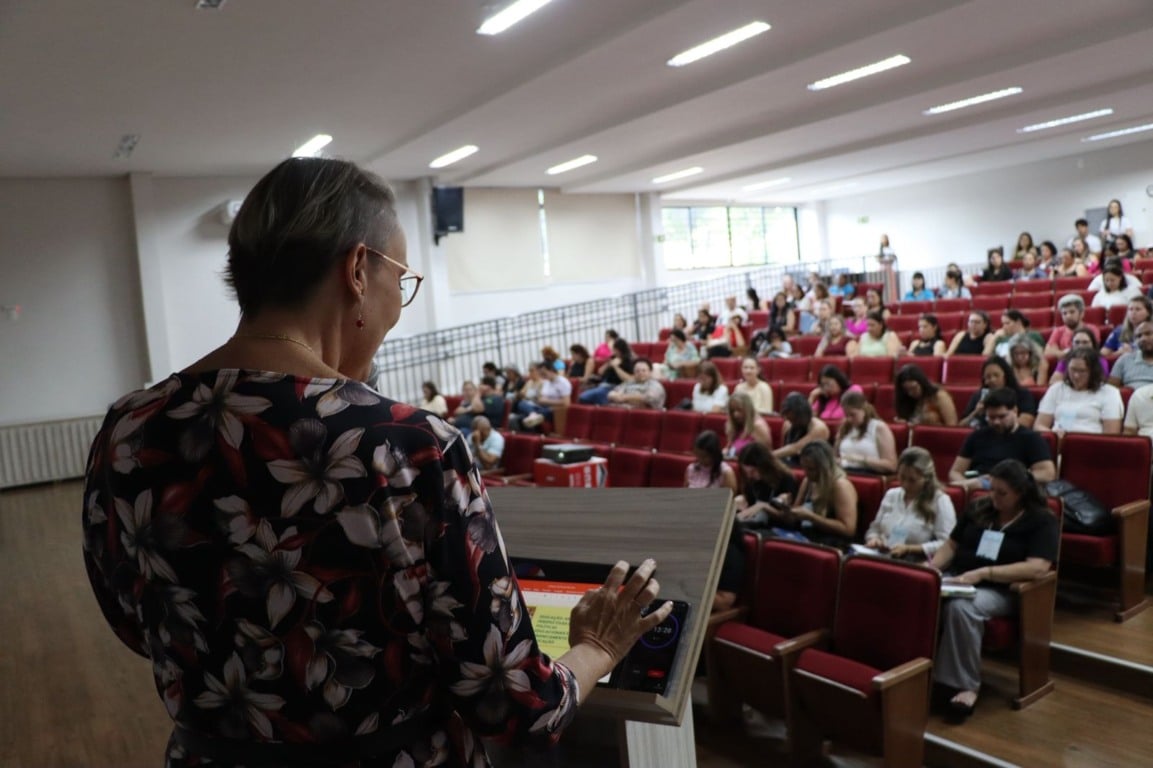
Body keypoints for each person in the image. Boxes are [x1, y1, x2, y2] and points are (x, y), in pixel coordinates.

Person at [81, 157, 673, 767]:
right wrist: (600, 646)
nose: (398, 304)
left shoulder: (129, 428)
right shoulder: (408, 446)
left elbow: (132, 620)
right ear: (358, 270)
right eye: (402, 278)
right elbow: (515, 704)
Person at [930, 459, 1060, 718]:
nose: (994, 497)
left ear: (1021, 493)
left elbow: (1037, 568)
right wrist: (931, 570)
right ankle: (919, 675)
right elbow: (951, 546)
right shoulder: (980, 508)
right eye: (992, 489)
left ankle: (964, 686)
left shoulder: (1041, 520)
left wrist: (983, 573)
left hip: (1004, 590)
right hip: (961, 578)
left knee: (961, 608)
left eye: (1002, 493)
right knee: (922, 591)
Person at [948, 388, 1057, 491]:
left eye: (1002, 417)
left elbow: (1047, 474)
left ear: (1015, 411)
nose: (996, 422)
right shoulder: (976, 436)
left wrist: (1004, 479)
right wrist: (966, 484)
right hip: (976, 487)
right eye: (991, 417)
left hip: (1013, 490)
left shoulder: (1031, 438)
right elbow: (955, 472)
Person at [865, 447, 956, 557]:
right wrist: (874, 539)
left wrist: (910, 549)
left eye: (912, 480)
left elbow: (947, 544)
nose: (905, 484)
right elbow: (875, 528)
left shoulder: (940, 501)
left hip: (916, 560)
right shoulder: (892, 494)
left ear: (926, 478)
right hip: (883, 554)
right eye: (902, 477)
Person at [781, 441, 859, 548]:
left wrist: (812, 517)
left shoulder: (840, 486)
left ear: (824, 467)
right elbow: (793, 519)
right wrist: (786, 508)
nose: (806, 473)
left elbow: (848, 529)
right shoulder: (808, 481)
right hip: (806, 536)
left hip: (831, 543)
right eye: (804, 468)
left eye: (811, 469)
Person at [1036, 348, 1124, 435]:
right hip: (1059, 442)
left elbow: (1111, 434)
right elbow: (1039, 425)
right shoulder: (1056, 389)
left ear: (1093, 372)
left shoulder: (1110, 393)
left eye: (1082, 371)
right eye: (1073, 369)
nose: (1076, 376)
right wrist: (1054, 436)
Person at [959, 356, 1038, 429]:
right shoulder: (979, 396)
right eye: (988, 377)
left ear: (1005, 376)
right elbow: (960, 427)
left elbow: (1026, 422)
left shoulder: (1022, 394)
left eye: (996, 375)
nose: (992, 380)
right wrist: (975, 413)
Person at [733, 442, 798, 527]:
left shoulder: (786, 479)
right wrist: (741, 501)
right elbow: (750, 505)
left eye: (753, 471)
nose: (749, 476)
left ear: (765, 466)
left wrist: (764, 507)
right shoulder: (751, 479)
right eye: (746, 472)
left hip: (777, 527)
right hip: (753, 522)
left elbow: (790, 519)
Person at [834, 390, 898, 474]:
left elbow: (892, 466)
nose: (849, 419)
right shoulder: (845, 427)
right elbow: (835, 456)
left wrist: (861, 459)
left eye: (853, 415)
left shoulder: (879, 428)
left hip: (869, 474)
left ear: (864, 410)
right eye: (846, 415)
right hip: (845, 472)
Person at [775, 392, 831, 465]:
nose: (787, 420)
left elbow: (796, 449)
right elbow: (783, 449)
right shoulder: (788, 423)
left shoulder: (818, 428)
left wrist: (769, 455)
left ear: (801, 415)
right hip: (790, 461)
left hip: (813, 464)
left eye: (792, 419)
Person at [517, 363, 572, 430]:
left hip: (555, 409)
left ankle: (534, 416)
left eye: (544, 373)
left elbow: (566, 403)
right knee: (522, 403)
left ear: (551, 370)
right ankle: (533, 414)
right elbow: (541, 399)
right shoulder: (546, 382)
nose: (542, 376)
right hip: (542, 407)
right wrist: (542, 401)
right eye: (541, 374)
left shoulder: (563, 382)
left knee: (524, 418)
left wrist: (546, 401)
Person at [579, 338, 635, 404]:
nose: (613, 351)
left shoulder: (629, 361)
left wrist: (616, 367)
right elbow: (600, 372)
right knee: (582, 395)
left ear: (619, 350)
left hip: (614, 386)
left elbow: (629, 379)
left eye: (615, 350)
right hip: (603, 384)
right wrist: (609, 364)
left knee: (584, 397)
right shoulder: (613, 358)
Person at [724, 391, 773, 458]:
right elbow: (729, 447)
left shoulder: (757, 426)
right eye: (732, 411)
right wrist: (725, 451)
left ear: (747, 409)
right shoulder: (735, 425)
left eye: (739, 410)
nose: (735, 414)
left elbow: (767, 456)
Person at [1109, 322, 1153, 389]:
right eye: (1139, 336)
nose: (1143, 339)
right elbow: (1111, 390)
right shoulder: (1124, 360)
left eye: (1148, 334)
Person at [878, 234, 898, 302]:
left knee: (891, 286)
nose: (883, 240)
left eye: (884, 238)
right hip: (882, 270)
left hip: (889, 269)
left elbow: (892, 258)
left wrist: (885, 260)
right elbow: (878, 259)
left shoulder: (890, 249)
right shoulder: (880, 250)